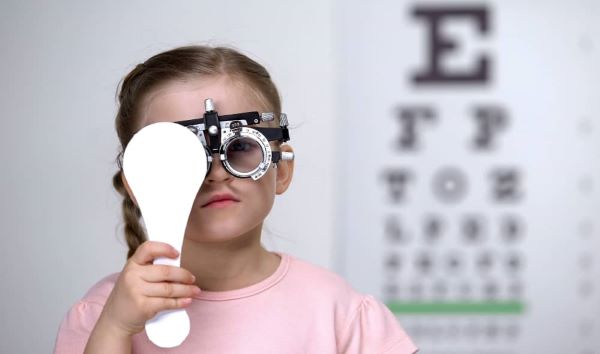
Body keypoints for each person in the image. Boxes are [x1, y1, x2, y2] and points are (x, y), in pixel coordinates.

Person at [54, 45, 417, 354]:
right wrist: (116, 328)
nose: (215, 173)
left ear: (282, 170)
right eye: (181, 158)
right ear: (141, 185)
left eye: (240, 147)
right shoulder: (102, 316)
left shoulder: (339, 313)